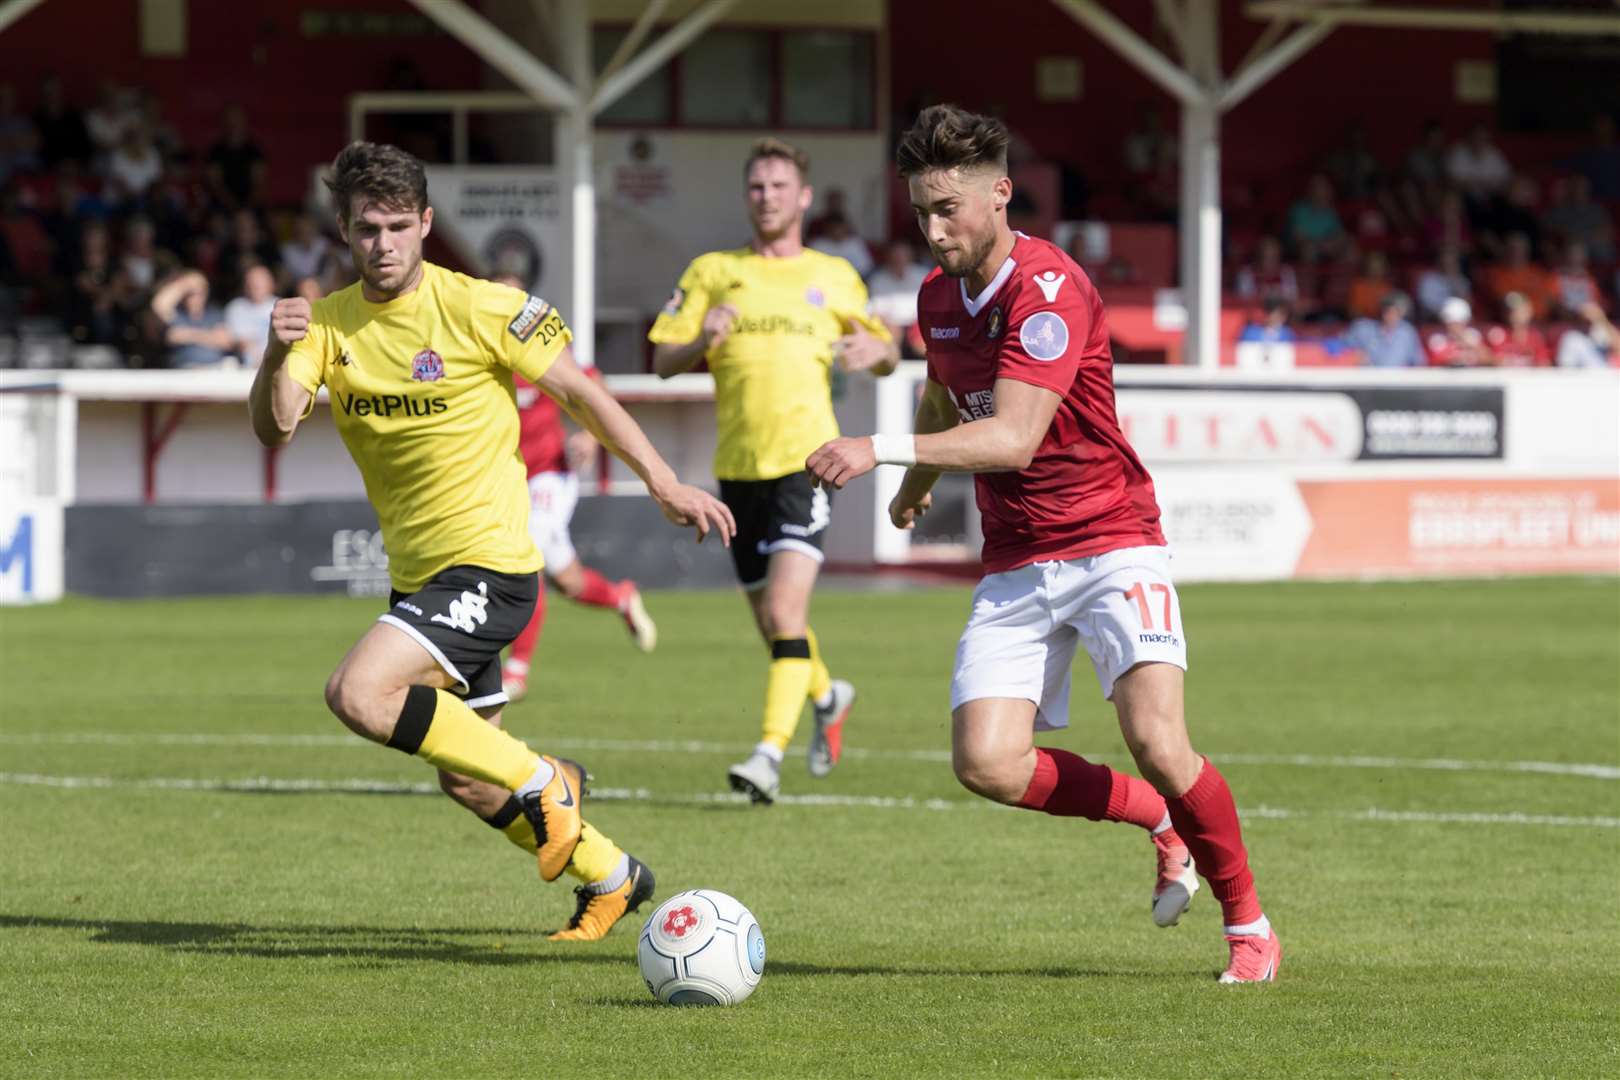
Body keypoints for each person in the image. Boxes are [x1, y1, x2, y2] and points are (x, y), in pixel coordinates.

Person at [807, 104, 1281, 984]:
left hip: (1111, 540)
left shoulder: (1050, 289)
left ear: (1000, 195)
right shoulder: (937, 296)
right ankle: (1157, 821)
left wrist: (879, 453)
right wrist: (916, 484)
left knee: (1160, 741)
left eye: (947, 207)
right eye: (919, 210)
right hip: (1018, 556)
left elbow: (1015, 437)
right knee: (985, 762)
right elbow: (947, 395)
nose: (933, 227)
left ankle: (1247, 920)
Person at [247, 141, 735, 941]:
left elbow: (582, 392)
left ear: (427, 223)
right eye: (367, 228)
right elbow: (276, 427)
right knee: (468, 782)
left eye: (400, 226)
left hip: (491, 565)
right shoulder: (327, 325)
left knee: (358, 694)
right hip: (419, 578)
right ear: (344, 229)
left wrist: (663, 481)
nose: (385, 244)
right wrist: (275, 349)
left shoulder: (480, 306)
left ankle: (547, 781)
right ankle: (614, 877)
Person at [648, 136, 898, 804]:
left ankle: (766, 756)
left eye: (779, 186)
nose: (767, 197)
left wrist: (878, 349)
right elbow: (662, 360)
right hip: (738, 469)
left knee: (787, 610)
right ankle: (828, 693)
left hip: (808, 463)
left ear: (804, 197)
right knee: (773, 624)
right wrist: (703, 339)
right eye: (757, 187)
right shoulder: (713, 271)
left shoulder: (836, 275)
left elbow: (888, 352)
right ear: (746, 195)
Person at [486, 271, 658, 703]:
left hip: (550, 472)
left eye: (514, 298)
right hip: (506, 478)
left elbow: (592, 385)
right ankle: (620, 597)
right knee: (569, 582)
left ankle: (517, 670)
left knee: (529, 553)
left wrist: (589, 435)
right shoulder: (478, 352)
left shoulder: (537, 347)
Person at [151, 268, 234, 368]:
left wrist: (189, 335)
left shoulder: (213, 313)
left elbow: (226, 342)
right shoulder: (177, 314)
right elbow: (159, 305)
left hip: (215, 368)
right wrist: (183, 285)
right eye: (190, 293)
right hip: (186, 370)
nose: (196, 297)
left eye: (200, 292)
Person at [1346, 291, 1424, 367]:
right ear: (1382, 310)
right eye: (1388, 311)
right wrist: (1353, 356)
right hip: (1365, 377)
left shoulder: (1408, 332)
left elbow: (1418, 362)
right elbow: (1340, 348)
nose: (1392, 316)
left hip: (1397, 378)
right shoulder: (1362, 328)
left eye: (1397, 312)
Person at [223, 262, 276, 366]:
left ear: (270, 284)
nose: (255, 286)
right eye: (252, 283)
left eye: (260, 283)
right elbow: (229, 339)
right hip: (243, 367)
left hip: (275, 364)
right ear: (245, 285)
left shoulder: (281, 306)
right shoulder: (235, 308)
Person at [1485, 292, 1550, 367]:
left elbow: (1544, 362)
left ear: (1529, 311)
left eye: (1520, 310)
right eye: (1511, 311)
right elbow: (1488, 358)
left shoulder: (1536, 337)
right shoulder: (1497, 334)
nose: (1515, 315)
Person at [1426, 296, 1492, 367]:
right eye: (1452, 323)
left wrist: (1474, 346)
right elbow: (1434, 362)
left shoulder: (1474, 336)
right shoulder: (1438, 339)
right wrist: (1456, 359)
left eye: (1458, 323)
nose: (1454, 327)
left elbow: (1491, 360)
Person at [1556, 302, 1616, 368]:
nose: (1590, 321)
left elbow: (1617, 349)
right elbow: (1565, 366)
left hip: (1604, 375)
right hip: (1583, 377)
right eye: (1586, 319)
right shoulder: (1571, 338)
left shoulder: (1599, 334)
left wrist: (1603, 321)